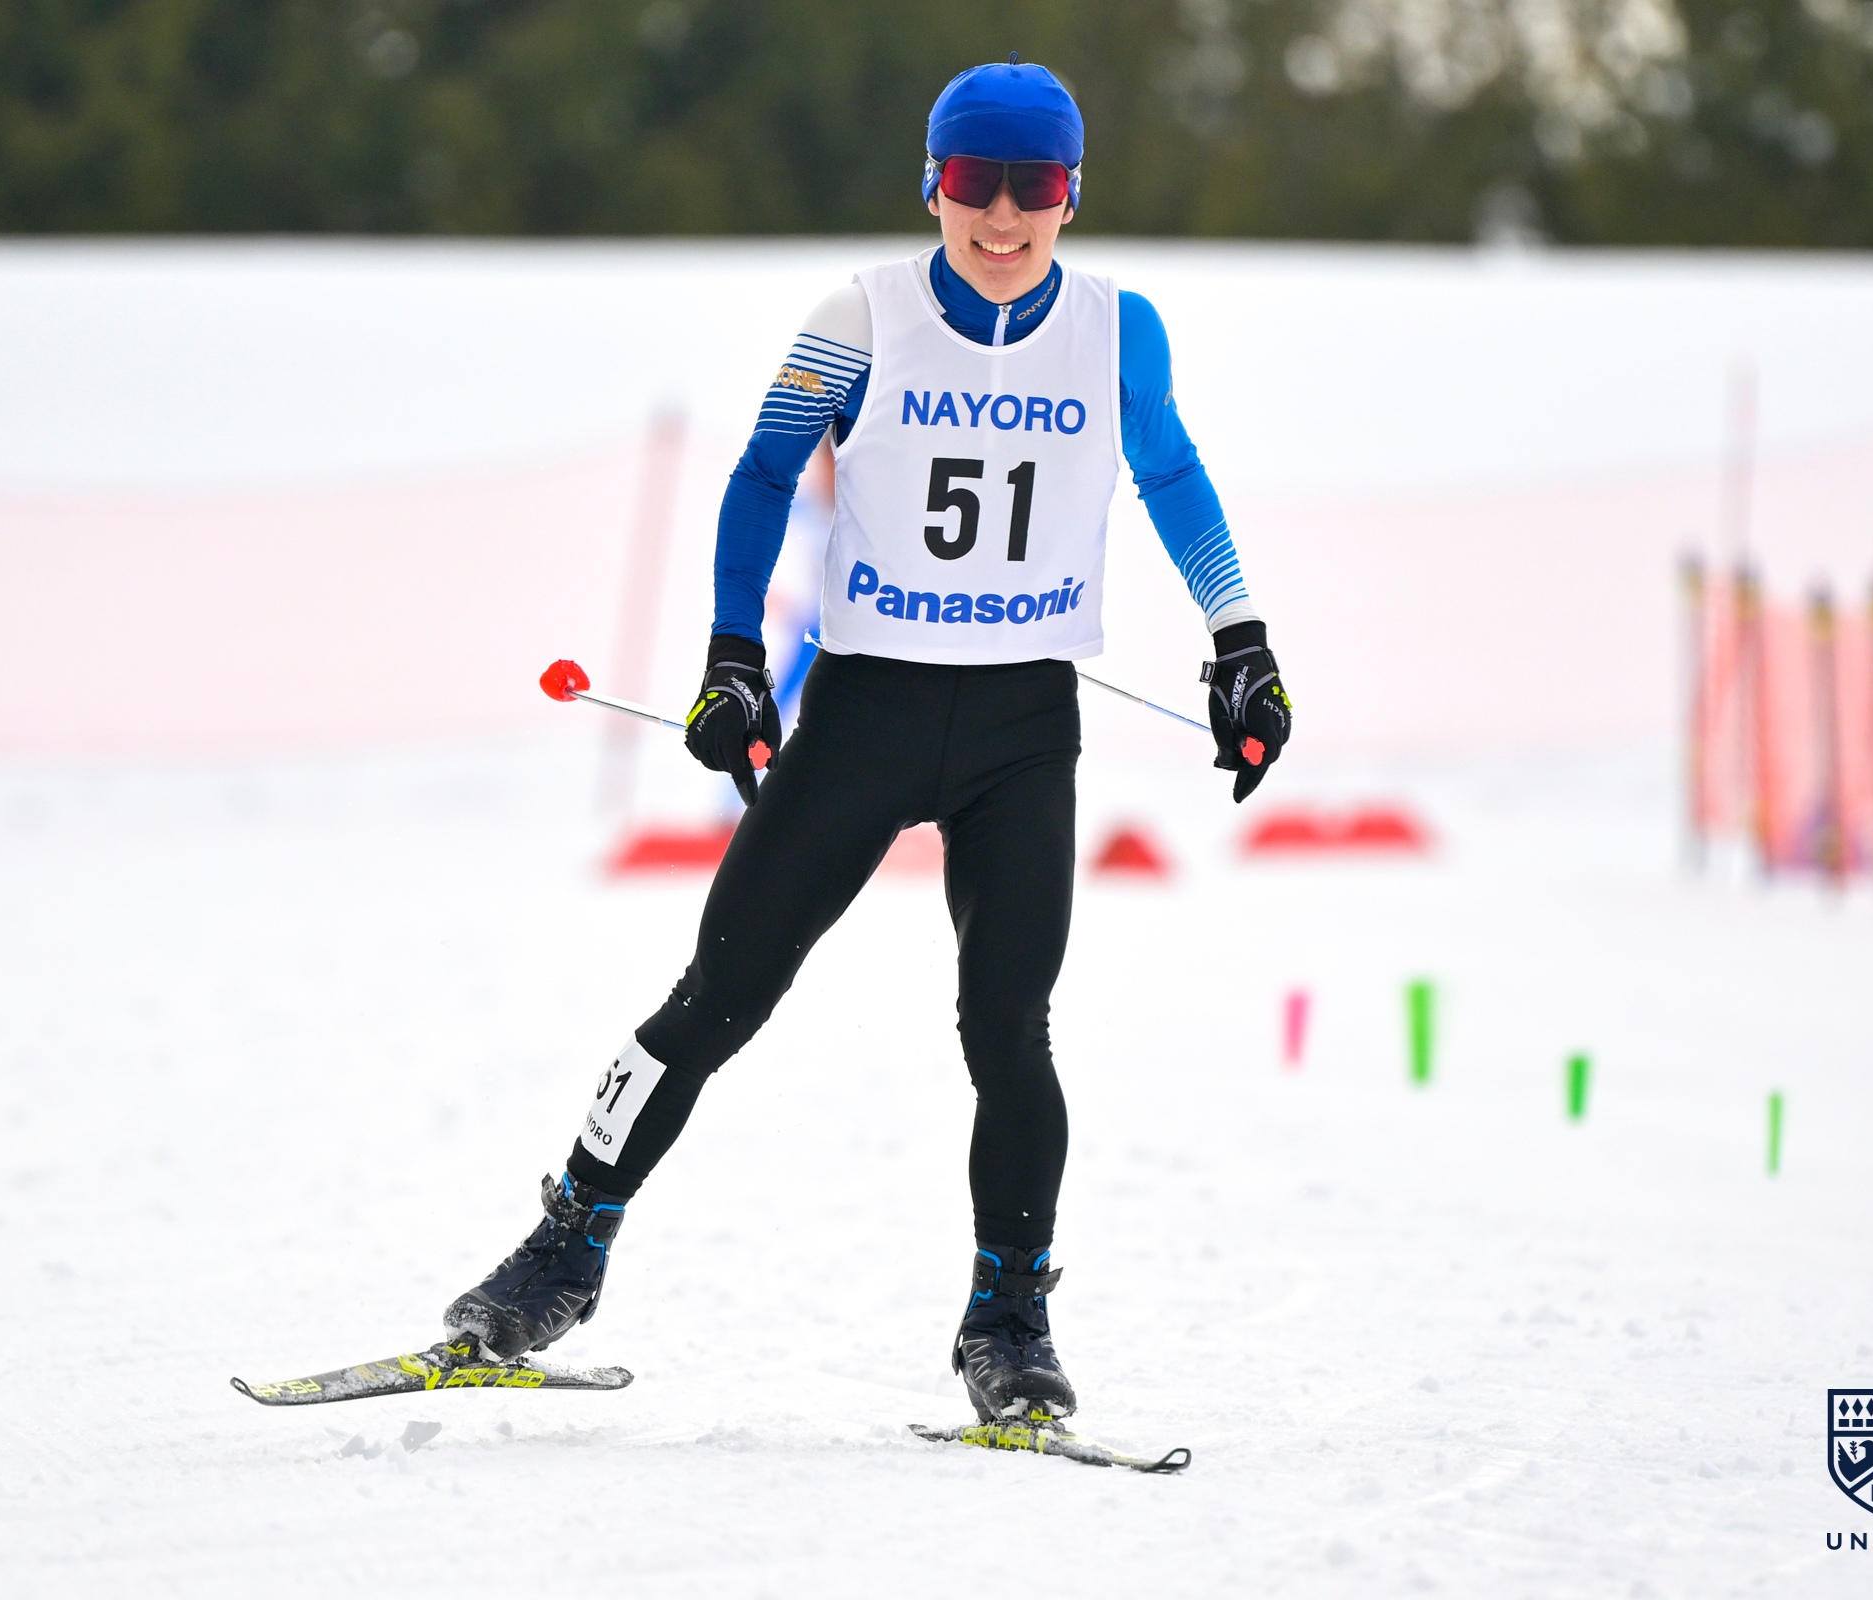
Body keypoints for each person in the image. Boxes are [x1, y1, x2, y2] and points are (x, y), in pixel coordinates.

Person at [444, 57, 1291, 1425]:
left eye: (1033, 187)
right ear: (932, 186)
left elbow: (1174, 474)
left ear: (1072, 195)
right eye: (974, 183)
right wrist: (732, 655)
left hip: (1022, 724)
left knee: (1009, 1028)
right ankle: (562, 1251)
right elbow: (763, 474)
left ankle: (1007, 1321)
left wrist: (1242, 641)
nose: (1002, 217)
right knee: (717, 998)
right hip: (867, 714)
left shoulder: (1119, 331)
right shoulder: (861, 317)